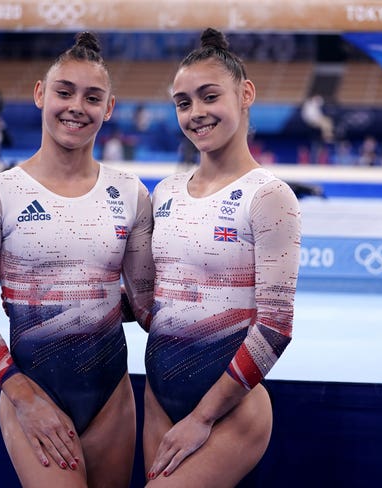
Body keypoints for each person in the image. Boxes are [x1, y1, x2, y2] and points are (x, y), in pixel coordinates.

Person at [0, 32, 155, 488]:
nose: (76, 106)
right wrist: (22, 396)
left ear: (108, 108)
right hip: (31, 389)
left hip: (112, 399)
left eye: (92, 97)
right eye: (64, 91)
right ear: (40, 93)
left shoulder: (130, 193)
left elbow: (146, 308)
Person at [143, 28, 302, 486]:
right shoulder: (166, 192)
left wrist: (202, 417)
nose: (195, 113)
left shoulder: (269, 196)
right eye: (183, 102)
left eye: (209, 96)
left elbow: (275, 328)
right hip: (159, 394)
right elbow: (155, 302)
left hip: (229, 409)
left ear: (245, 93)